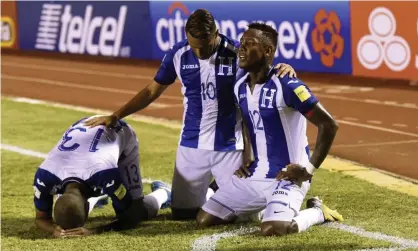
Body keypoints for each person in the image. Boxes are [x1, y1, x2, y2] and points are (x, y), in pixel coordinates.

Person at [84, 9, 297, 220]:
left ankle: (214, 193)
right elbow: (152, 90)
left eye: (204, 47)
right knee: (182, 215)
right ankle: (173, 193)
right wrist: (116, 115)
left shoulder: (235, 52)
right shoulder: (178, 53)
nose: (198, 52)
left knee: (245, 218)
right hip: (191, 145)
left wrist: (282, 67)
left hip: (230, 148)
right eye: (193, 46)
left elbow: (262, 70)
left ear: (216, 34)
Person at [196, 23, 343, 236]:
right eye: (242, 43)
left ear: (268, 51)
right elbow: (248, 121)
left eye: (250, 44)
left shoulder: (288, 85)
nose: (242, 49)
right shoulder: (240, 87)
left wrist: (307, 171)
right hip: (255, 175)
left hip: (287, 176)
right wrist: (248, 155)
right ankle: (267, 207)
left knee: (274, 228)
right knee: (205, 219)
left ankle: (317, 212)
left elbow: (329, 125)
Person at [33, 116, 171, 237]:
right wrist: (53, 228)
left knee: (138, 209)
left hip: (118, 130)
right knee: (70, 210)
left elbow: (131, 217)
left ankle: (163, 192)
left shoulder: (106, 175)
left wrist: (94, 231)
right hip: (84, 126)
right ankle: (100, 196)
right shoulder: (44, 175)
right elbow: (41, 219)